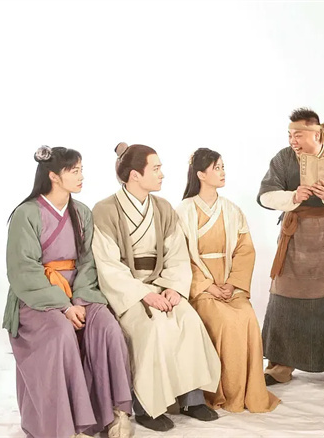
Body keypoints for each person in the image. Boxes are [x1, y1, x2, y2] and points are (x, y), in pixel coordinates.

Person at [3, 146, 132, 438]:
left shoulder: (82, 212)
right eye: (74, 171)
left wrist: (80, 300)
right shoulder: (26, 214)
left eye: (81, 170)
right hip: (37, 299)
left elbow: (88, 261)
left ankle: (116, 413)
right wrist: (63, 306)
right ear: (53, 176)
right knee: (60, 333)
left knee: (108, 327)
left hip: (80, 294)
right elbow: (23, 270)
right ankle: (66, 427)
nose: (81, 176)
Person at [91, 143, 221, 432]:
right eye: (156, 169)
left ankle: (192, 398)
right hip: (128, 291)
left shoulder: (162, 208)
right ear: (135, 175)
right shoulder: (105, 210)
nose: (162, 174)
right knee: (152, 329)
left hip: (161, 285)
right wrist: (143, 294)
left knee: (187, 320)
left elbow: (177, 254)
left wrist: (174, 288)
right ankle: (147, 407)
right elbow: (108, 265)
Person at [257, 108, 324, 386]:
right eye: (290, 135)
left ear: (316, 134)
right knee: (285, 298)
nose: (293, 141)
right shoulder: (283, 158)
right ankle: (280, 365)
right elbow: (266, 196)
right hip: (296, 235)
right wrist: (293, 196)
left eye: (298, 135)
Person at [176, 148, 280, 413]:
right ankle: (221, 392)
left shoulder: (231, 210)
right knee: (226, 322)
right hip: (200, 288)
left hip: (229, 284)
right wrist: (207, 286)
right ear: (201, 174)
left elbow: (245, 250)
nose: (223, 172)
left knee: (247, 318)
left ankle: (248, 392)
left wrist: (232, 284)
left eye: (223, 167)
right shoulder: (183, 211)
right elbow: (178, 257)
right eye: (217, 168)